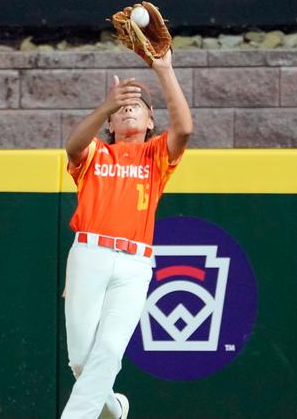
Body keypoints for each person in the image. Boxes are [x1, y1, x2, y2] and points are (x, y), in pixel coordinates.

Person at [60, 48, 192, 419]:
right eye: (122, 106)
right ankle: (115, 408)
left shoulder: (155, 156)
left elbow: (184, 129)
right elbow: (72, 146)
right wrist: (105, 105)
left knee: (109, 350)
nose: (128, 108)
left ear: (151, 121)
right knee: (82, 361)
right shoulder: (97, 153)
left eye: (138, 104)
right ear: (111, 123)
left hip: (135, 262)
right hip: (90, 253)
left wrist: (164, 70)